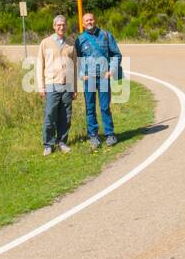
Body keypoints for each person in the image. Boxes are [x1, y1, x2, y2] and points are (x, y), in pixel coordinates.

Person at [76, 11, 123, 149]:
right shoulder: (80, 40)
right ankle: (93, 136)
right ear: (83, 24)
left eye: (91, 20)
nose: (89, 22)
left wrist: (111, 71)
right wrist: (81, 75)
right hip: (89, 79)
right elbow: (76, 60)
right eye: (87, 21)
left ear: (94, 20)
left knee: (104, 107)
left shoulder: (106, 35)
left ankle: (110, 134)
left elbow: (116, 55)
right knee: (90, 108)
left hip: (103, 77)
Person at [35, 14, 76, 155]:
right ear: (54, 26)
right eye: (58, 25)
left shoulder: (70, 43)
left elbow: (75, 66)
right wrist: (41, 86)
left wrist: (75, 87)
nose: (61, 27)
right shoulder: (45, 43)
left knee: (66, 116)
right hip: (51, 85)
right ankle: (48, 144)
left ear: (66, 26)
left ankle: (62, 142)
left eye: (63, 24)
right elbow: (40, 65)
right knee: (50, 115)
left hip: (67, 86)